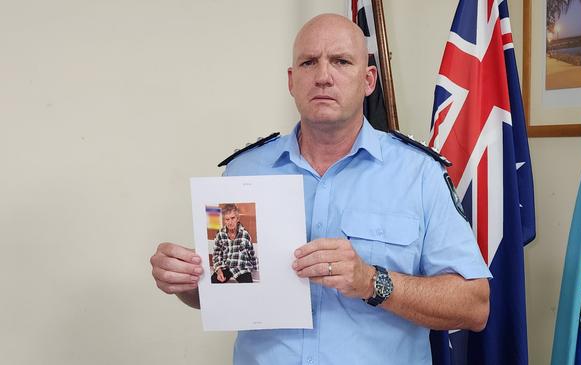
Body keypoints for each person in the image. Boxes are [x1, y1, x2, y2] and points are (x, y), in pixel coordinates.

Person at [150, 13, 491, 364]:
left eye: (341, 62)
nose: (323, 76)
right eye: (309, 63)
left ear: (369, 80)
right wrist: (189, 282)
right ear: (292, 80)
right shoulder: (245, 171)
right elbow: (228, 290)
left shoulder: (418, 174)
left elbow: (474, 304)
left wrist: (371, 281)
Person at [211, 204, 258, 284]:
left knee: (248, 285)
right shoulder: (220, 234)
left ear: (237, 218)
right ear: (224, 220)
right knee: (214, 280)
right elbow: (216, 254)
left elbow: (251, 254)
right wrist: (218, 270)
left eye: (232, 218)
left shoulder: (245, 234)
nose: (230, 222)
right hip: (226, 267)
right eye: (227, 219)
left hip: (242, 268)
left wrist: (256, 269)